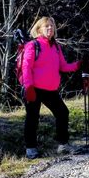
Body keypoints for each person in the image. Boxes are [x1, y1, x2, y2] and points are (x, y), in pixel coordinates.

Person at [20, 16, 81, 159]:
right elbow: (26, 67)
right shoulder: (33, 45)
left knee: (62, 113)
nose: (50, 29)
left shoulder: (56, 46)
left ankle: (63, 145)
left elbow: (63, 66)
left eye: (52, 26)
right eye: (46, 26)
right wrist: (28, 87)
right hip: (34, 88)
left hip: (50, 90)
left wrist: (79, 64)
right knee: (32, 118)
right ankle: (31, 149)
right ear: (39, 29)